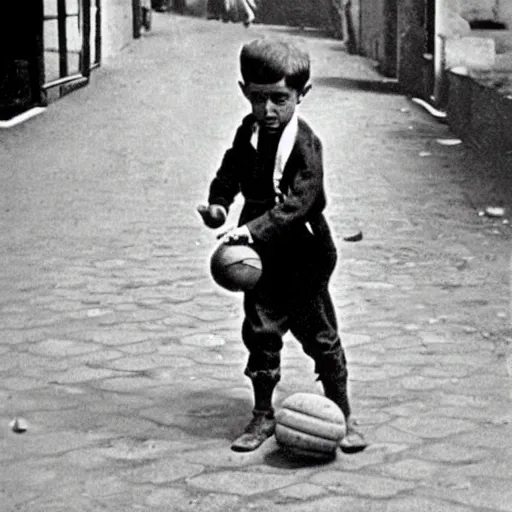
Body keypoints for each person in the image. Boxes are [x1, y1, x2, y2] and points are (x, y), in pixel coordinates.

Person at [197, 38, 367, 454]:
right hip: (260, 256)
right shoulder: (248, 130)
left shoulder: (306, 143)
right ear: (244, 92)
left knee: (321, 336)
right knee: (260, 332)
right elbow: (231, 167)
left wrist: (252, 230)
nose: (268, 110)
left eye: (279, 99)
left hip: (303, 252)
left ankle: (342, 411)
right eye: (258, 98)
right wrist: (219, 204)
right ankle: (262, 414)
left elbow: (304, 202)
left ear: (300, 95)